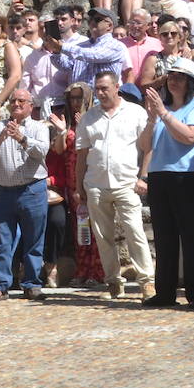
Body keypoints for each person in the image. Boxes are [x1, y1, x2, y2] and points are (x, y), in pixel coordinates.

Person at [76, 71, 154, 299]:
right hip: (96, 184)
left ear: (117, 87)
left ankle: (147, 281)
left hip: (127, 182)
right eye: (97, 89)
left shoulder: (135, 113)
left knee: (135, 232)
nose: (100, 93)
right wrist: (79, 187)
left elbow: (148, 147)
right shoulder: (90, 117)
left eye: (104, 88)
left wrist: (144, 176)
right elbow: (82, 156)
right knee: (103, 237)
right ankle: (113, 282)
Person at [138, 57, 194, 308]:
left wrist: (164, 114)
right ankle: (164, 292)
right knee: (164, 236)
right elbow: (145, 146)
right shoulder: (162, 108)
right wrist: (152, 118)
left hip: (188, 176)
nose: (174, 81)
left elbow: (190, 136)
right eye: (171, 77)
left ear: (190, 82)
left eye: (179, 77)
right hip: (160, 175)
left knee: (193, 236)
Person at [0, 90, 50, 301]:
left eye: (21, 100)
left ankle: (32, 283)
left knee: (34, 239)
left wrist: (22, 138)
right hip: (3, 191)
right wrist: (1, 137)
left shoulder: (39, 127)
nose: (16, 103)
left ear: (30, 106)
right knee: (0, 239)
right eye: (13, 100)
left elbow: (42, 152)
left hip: (32, 189)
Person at [47, 7, 130, 87]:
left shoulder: (116, 46)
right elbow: (65, 67)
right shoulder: (81, 45)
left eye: (97, 20)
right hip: (78, 98)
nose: (92, 22)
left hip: (101, 99)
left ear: (109, 25)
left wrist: (62, 47)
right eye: (90, 20)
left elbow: (94, 55)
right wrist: (56, 50)